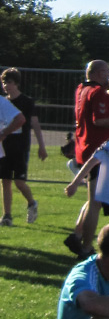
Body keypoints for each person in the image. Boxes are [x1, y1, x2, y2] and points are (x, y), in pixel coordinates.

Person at [66, 60, 109, 258]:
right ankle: (86, 246)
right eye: (106, 71)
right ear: (98, 73)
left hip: (84, 146)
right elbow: (99, 119)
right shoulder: (98, 93)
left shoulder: (82, 88)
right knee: (95, 202)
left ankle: (77, 234)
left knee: (93, 199)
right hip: (97, 149)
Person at [0, 68, 46, 226]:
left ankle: (32, 202)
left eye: (9, 82)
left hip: (20, 145)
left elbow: (34, 123)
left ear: (17, 83)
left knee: (19, 182)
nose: (6, 85)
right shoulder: (3, 102)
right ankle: (7, 215)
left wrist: (42, 146)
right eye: (4, 82)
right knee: (5, 180)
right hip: (5, 144)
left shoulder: (26, 102)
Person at [0, 90, 28, 228]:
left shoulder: (1, 102)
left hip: (11, 149)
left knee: (14, 181)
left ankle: (8, 214)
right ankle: (6, 215)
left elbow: (20, 119)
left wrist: (4, 133)